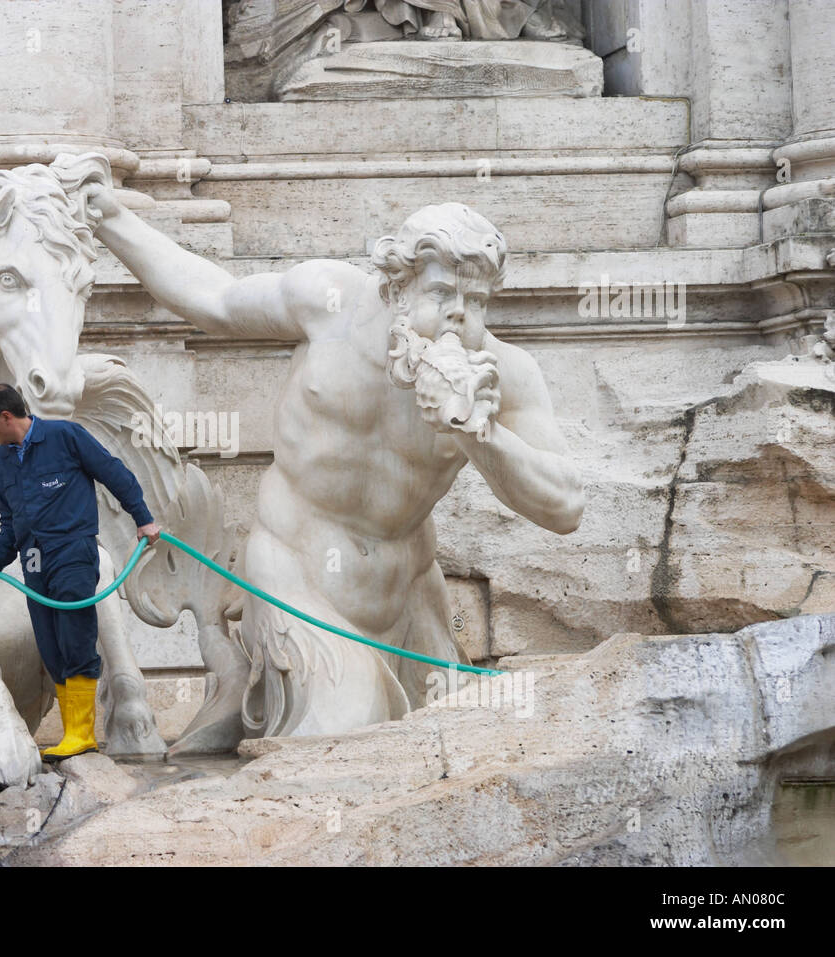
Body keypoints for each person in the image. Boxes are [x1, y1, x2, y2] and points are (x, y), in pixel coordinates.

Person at [80, 188, 584, 736]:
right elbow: (215, 299)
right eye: (441, 292)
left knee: (430, 758)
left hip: (409, 597)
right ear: (398, 286)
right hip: (296, 574)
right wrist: (110, 218)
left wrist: (478, 433)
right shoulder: (329, 302)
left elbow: (565, 507)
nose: (460, 316)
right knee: (346, 735)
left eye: (477, 301)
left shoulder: (503, 372)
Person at [0, 383, 160, 761]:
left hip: (72, 550)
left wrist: (144, 519)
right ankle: (74, 732)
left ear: (6, 417)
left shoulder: (64, 436)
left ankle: (81, 734)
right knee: (50, 642)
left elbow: (114, 473)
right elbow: (10, 524)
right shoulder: (2, 461)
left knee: (75, 634)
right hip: (33, 559)